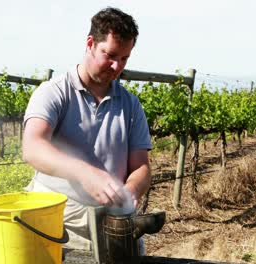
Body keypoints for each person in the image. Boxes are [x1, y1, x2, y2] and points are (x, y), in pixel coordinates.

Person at [22, 7, 152, 250]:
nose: (116, 66)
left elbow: (141, 166)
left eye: (124, 59)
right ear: (90, 43)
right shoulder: (54, 92)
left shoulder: (130, 104)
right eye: (110, 55)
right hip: (57, 216)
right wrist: (86, 174)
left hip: (112, 218)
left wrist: (132, 189)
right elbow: (33, 148)